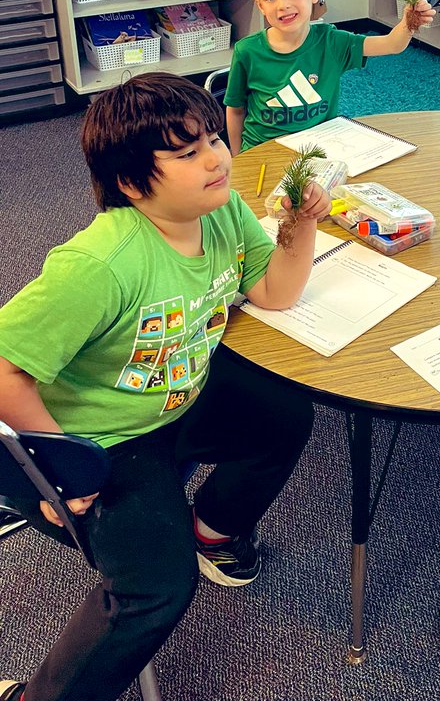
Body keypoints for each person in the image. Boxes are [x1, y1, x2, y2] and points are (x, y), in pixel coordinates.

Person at [0, 74, 329, 701]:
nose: (216, 157)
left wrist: (299, 226)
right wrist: (64, 467)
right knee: (155, 588)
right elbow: (2, 368)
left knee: (284, 414)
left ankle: (215, 528)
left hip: (179, 392)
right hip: (105, 441)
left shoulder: (223, 209)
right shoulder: (99, 265)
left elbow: (275, 293)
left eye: (212, 138)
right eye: (186, 152)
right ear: (130, 182)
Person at [224, 0, 436, 152]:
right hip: (263, 152)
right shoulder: (247, 51)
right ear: (260, 5)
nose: (283, 5)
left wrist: (409, 23)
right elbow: (235, 110)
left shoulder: (331, 41)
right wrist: (237, 161)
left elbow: (391, 44)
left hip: (319, 149)